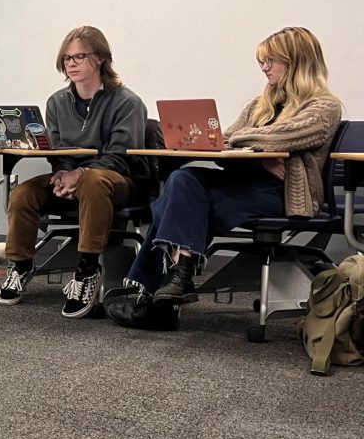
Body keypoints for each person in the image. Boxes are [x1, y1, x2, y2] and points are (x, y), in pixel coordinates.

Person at [109, 26, 343, 329]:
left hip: (284, 193)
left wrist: (254, 144)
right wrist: (261, 155)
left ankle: (155, 300)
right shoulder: (259, 106)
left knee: (176, 207)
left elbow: (284, 135)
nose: (264, 67)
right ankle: (177, 279)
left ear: (297, 61)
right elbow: (225, 141)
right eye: (262, 61)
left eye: (272, 60)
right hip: (245, 183)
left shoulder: (324, 107)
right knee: (183, 178)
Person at [0, 26, 149, 318]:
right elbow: (59, 150)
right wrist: (63, 172)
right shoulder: (56, 102)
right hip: (72, 177)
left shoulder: (127, 102)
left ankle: (87, 270)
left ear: (100, 59)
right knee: (24, 192)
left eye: (80, 56)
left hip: (117, 180)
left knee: (92, 180)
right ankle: (21, 265)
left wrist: (79, 174)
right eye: (67, 58)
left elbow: (119, 156)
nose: (72, 63)